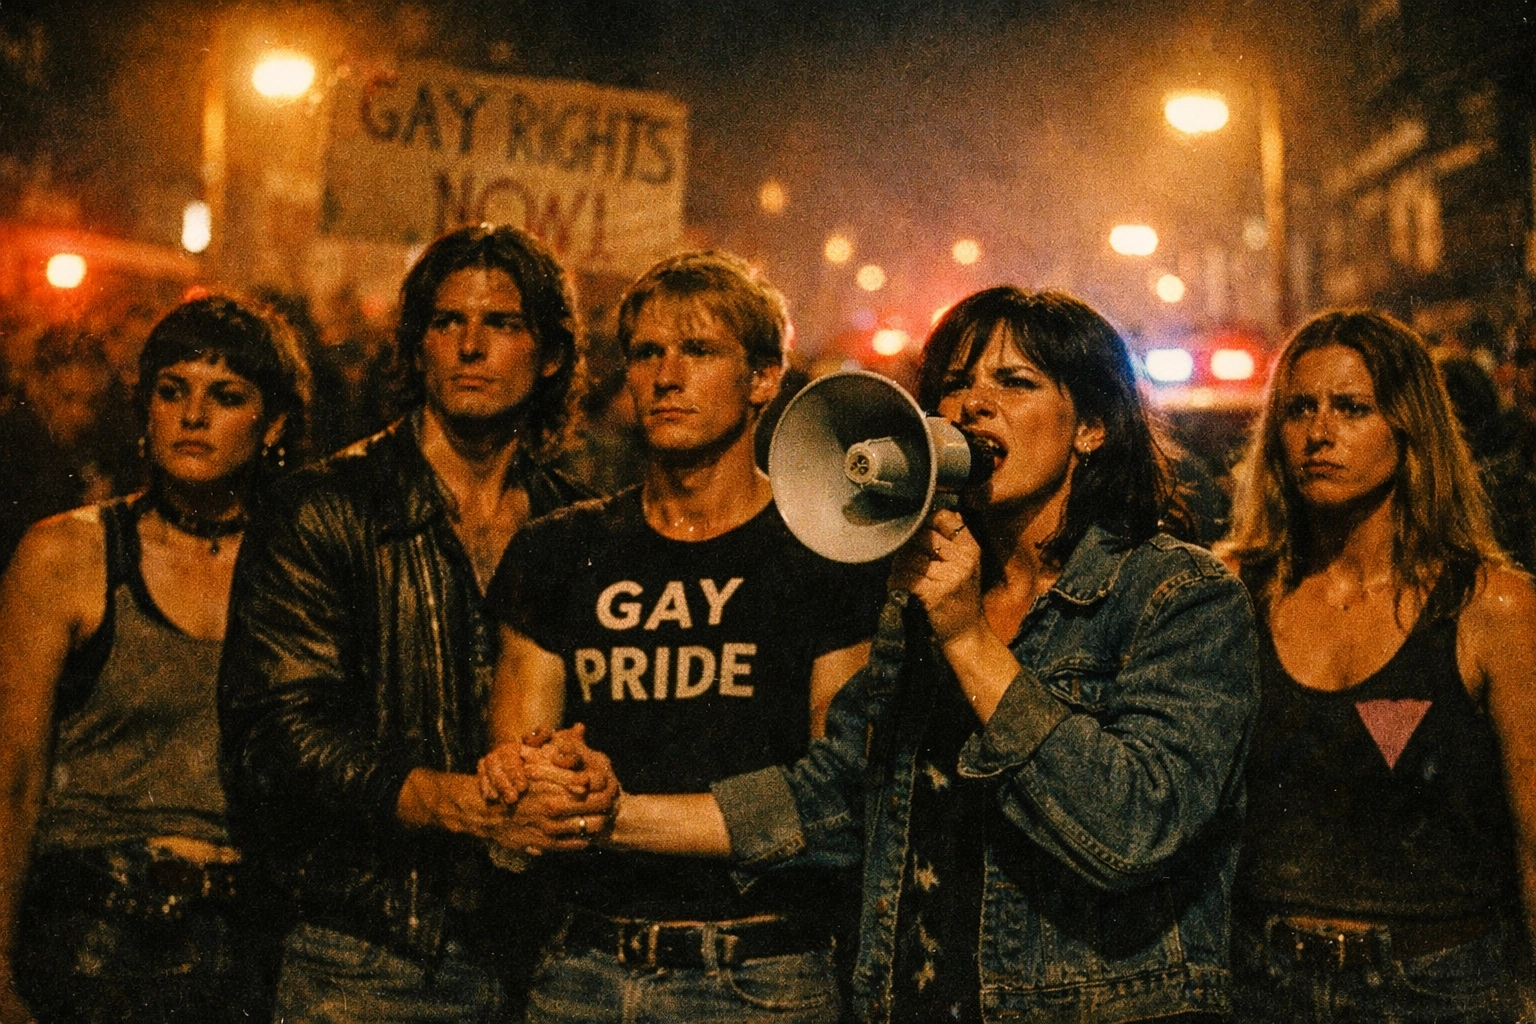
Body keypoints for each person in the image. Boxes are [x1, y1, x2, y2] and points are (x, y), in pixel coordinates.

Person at [510, 286, 1261, 1023]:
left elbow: (1136, 827)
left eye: (1015, 382)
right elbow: (838, 799)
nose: (972, 405)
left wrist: (968, 642)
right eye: (956, 385)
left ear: (1092, 426)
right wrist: (606, 816)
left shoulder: (1177, 597)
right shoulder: (925, 596)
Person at [478, 251, 884, 1023]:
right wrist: (541, 779)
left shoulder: (825, 554)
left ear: (764, 378)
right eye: (646, 353)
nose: (667, 376)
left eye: (699, 351)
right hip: (585, 968)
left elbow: (839, 794)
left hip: (757, 974)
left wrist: (617, 813)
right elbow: (527, 766)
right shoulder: (560, 549)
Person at [218, 224, 592, 1024]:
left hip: (542, 956)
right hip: (367, 951)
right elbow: (274, 734)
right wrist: (456, 802)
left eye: (501, 324)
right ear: (417, 346)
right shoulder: (326, 508)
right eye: (447, 321)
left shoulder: (575, 523)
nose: (470, 345)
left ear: (550, 355)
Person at [1218, 310, 1536, 1023]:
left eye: (1351, 408)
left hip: (1439, 984)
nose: (1319, 432)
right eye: (1299, 408)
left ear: (1408, 426)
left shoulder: (1493, 607)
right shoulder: (1232, 591)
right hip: (1262, 981)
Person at [0, 295, 310, 1024]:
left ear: (273, 426)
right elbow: (10, 776)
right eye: (173, 392)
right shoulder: (68, 555)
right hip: (87, 933)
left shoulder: (301, 570)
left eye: (225, 396)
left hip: (245, 945)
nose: (192, 416)